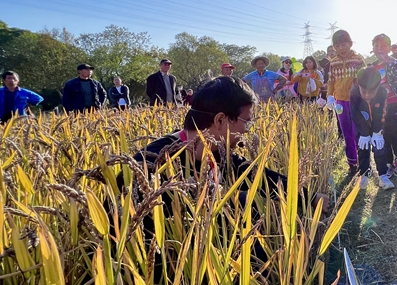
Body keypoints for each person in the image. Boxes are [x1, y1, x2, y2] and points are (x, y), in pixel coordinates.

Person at [115, 76, 328, 226]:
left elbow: (256, 176)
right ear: (220, 120)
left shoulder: (217, 151)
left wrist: (309, 199)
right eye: (247, 122)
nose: (247, 130)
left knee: (244, 200)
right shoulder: (149, 164)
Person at [324, 30, 367, 176]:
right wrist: (329, 96)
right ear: (334, 47)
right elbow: (331, 81)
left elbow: (365, 78)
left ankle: (364, 163)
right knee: (346, 133)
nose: (341, 47)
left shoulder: (357, 59)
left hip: (356, 100)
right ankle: (352, 164)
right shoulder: (333, 62)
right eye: (337, 45)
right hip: (340, 101)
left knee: (358, 133)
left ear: (350, 43)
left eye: (343, 44)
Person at [370, 34, 397, 174]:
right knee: (384, 133)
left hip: (393, 103)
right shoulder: (372, 67)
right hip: (378, 106)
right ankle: (388, 163)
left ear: (389, 47)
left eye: (383, 46)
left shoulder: (395, 63)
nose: (380, 49)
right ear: (373, 48)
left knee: (395, 133)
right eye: (377, 46)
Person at [351, 66, 395, 190]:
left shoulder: (383, 92)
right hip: (362, 126)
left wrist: (378, 131)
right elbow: (355, 114)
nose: (367, 95)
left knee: (380, 148)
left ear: (377, 87)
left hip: (378, 125)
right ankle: (364, 174)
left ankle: (382, 176)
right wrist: (364, 133)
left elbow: (382, 113)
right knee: (363, 148)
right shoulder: (354, 93)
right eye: (363, 91)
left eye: (371, 92)